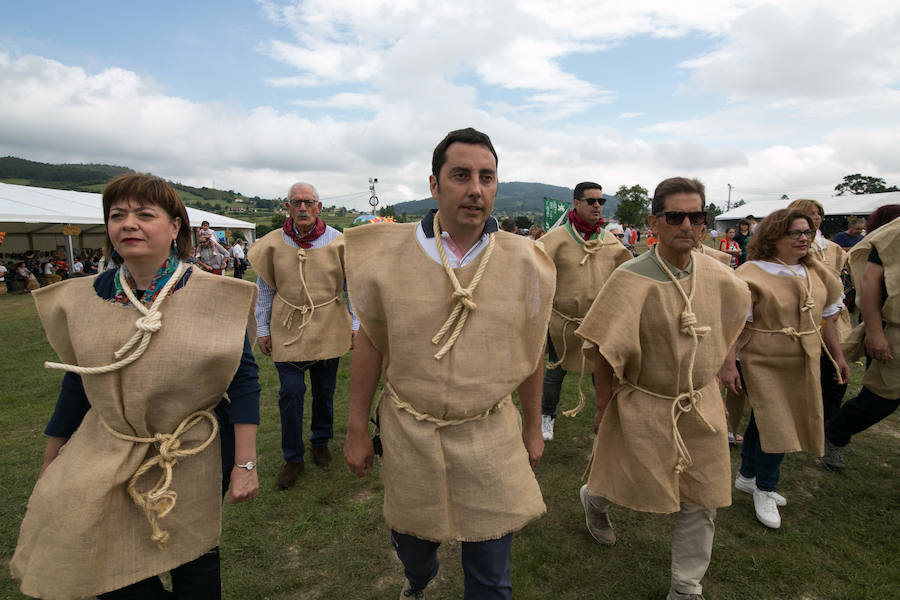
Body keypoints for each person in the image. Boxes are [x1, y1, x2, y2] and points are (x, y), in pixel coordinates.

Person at [11, 173, 260, 600]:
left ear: (175, 226)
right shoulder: (87, 297)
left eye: (145, 214)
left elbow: (244, 380)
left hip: (191, 447)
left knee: (193, 554)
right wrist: (53, 454)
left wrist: (245, 464)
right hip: (109, 442)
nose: (129, 224)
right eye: (117, 215)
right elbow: (78, 380)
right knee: (94, 541)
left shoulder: (216, 296)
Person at [343, 127, 555, 600]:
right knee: (415, 544)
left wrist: (532, 427)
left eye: (487, 177)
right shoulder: (385, 258)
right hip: (410, 429)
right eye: (460, 175)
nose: (475, 189)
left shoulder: (526, 261)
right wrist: (358, 427)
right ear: (434, 184)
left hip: (489, 432)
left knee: (490, 574)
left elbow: (532, 348)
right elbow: (370, 344)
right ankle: (418, 578)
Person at [576, 177, 750, 600]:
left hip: (700, 401)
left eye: (697, 216)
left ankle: (686, 586)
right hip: (644, 400)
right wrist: (603, 406)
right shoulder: (630, 278)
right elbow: (603, 348)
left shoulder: (715, 270)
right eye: (676, 216)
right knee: (621, 478)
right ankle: (593, 501)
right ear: (655, 221)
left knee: (703, 496)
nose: (687, 225)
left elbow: (732, 318)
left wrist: (722, 366)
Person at [721, 209, 849, 530]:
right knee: (777, 422)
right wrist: (728, 365)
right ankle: (766, 487)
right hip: (760, 359)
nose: (804, 238)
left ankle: (748, 476)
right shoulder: (752, 273)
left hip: (803, 358)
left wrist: (838, 357)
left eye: (807, 232)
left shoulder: (816, 272)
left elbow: (829, 320)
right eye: (795, 233)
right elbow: (733, 325)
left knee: (763, 421)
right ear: (774, 237)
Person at [248, 182, 357, 490]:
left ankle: (320, 441)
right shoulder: (273, 243)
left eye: (308, 202)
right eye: (296, 203)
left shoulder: (339, 242)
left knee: (325, 390)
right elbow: (266, 289)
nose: (303, 208)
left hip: (328, 323)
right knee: (291, 392)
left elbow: (352, 288)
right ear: (288, 207)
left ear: (319, 207)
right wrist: (263, 328)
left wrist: (356, 325)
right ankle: (293, 457)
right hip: (288, 325)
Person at [539, 181, 631, 441]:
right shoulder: (556, 239)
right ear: (576, 203)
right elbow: (535, 268)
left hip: (598, 322)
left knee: (602, 372)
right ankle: (547, 417)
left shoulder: (610, 241)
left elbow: (627, 273)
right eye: (591, 201)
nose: (597, 206)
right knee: (555, 372)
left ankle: (607, 417)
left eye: (600, 202)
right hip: (563, 322)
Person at [822, 212, 899, 471]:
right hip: (894, 329)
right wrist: (876, 333)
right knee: (880, 399)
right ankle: (836, 433)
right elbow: (869, 283)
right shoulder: (892, 235)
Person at [788, 198, 851, 426]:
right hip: (800, 319)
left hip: (830, 317)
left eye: (819, 213)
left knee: (832, 372)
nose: (817, 217)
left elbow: (843, 280)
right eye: (812, 213)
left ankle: (829, 425)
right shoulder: (787, 250)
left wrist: (837, 302)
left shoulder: (832, 248)